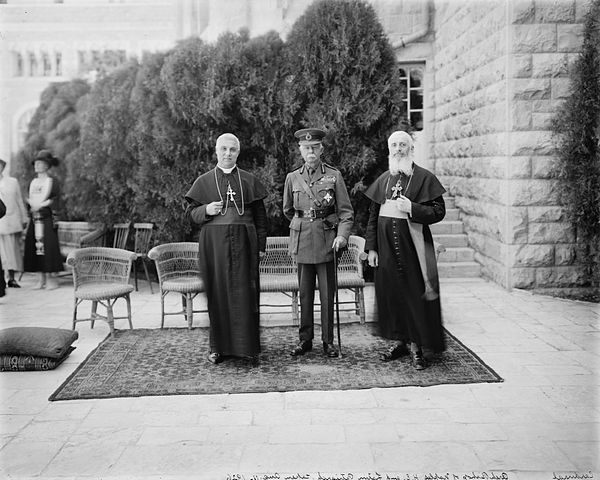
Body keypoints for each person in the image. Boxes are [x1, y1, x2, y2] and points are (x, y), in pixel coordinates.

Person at [364, 130, 446, 370]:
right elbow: (372, 216)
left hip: (414, 249)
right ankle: (400, 341)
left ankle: (417, 346)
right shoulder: (383, 179)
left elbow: (439, 212)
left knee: (415, 296)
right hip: (387, 250)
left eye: (403, 145)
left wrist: (413, 208)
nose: (398, 149)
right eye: (394, 145)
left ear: (410, 149)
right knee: (393, 296)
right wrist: (371, 249)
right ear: (389, 150)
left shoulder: (423, 178)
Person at [185, 133, 268, 365]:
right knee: (218, 293)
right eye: (224, 149)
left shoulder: (250, 180)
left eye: (232, 149)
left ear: (238, 152)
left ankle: (248, 348)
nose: (228, 153)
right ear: (216, 151)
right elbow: (190, 215)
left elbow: (261, 217)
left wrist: (261, 247)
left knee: (246, 294)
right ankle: (218, 347)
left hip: (245, 244)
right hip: (215, 246)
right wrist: (207, 210)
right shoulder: (204, 181)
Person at [283, 128, 354, 358]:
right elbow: (288, 210)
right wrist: (303, 224)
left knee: (326, 295)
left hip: (326, 243)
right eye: (306, 148)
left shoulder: (334, 176)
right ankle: (305, 340)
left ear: (321, 149)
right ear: (300, 150)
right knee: (304, 295)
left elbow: (346, 213)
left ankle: (328, 342)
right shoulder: (292, 178)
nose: (310, 151)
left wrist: (341, 236)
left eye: (314, 147)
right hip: (302, 242)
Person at [23, 150, 63, 290]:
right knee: (35, 248)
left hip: (46, 219)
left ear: (47, 165)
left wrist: (44, 204)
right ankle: (40, 279)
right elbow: (28, 198)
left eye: (40, 163)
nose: (37, 166)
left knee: (48, 248)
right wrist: (30, 204)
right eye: (36, 163)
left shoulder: (52, 182)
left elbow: (56, 199)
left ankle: (51, 279)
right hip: (35, 220)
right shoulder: (32, 182)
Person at [0, 158, 28, 288]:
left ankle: (11, 278)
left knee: (11, 251)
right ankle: (2, 280)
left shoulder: (12, 182)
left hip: (10, 220)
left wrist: (24, 218)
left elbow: (19, 200)